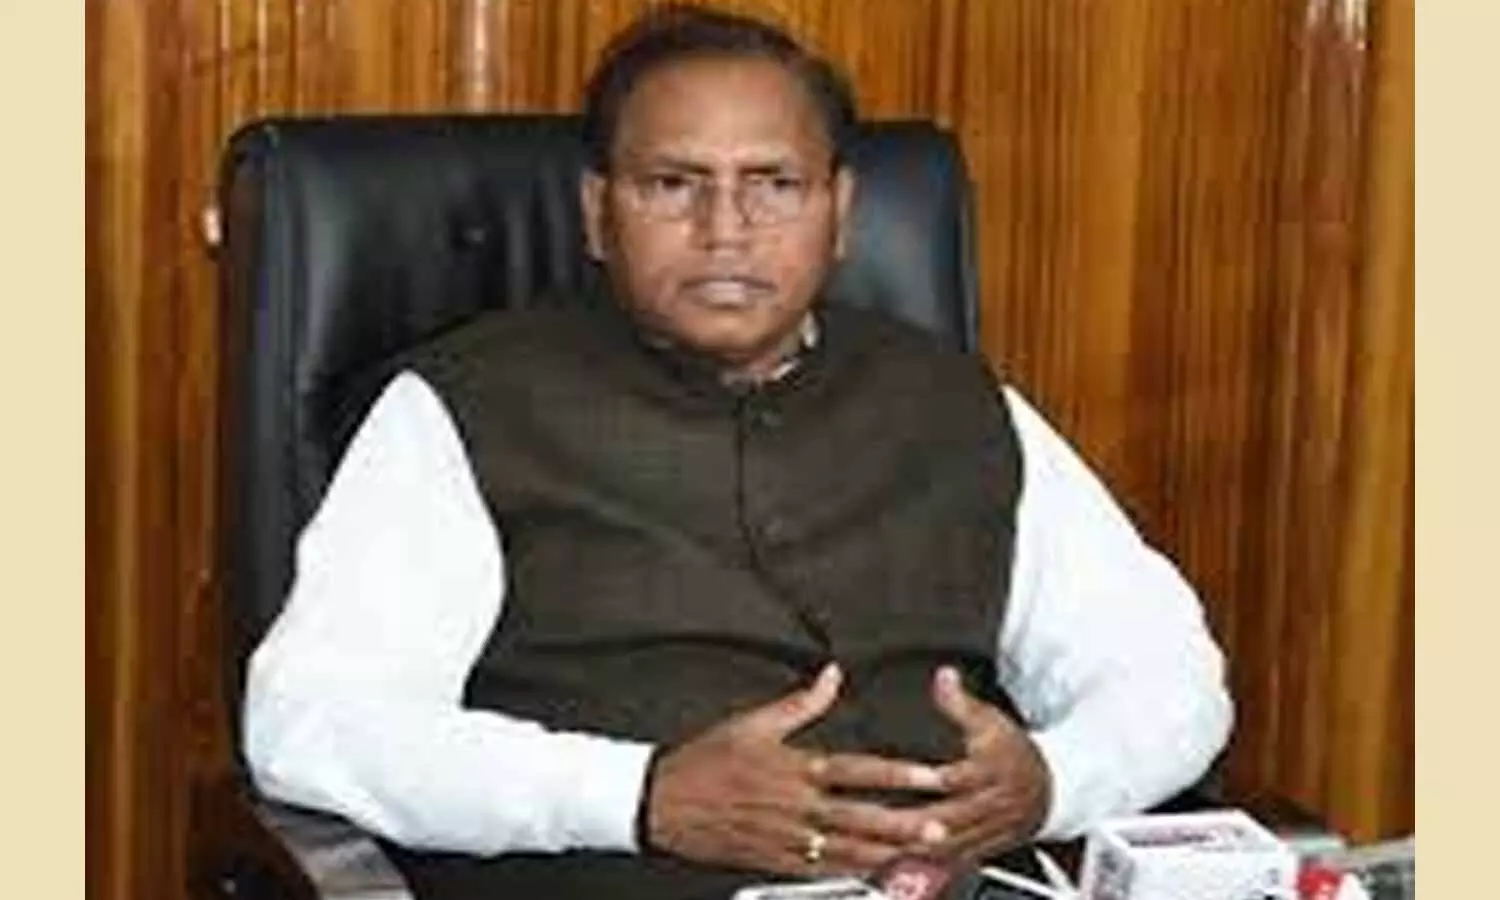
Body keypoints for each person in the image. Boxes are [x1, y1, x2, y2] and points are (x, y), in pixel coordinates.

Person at [241, 6, 1232, 899]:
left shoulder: (957, 402)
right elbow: (314, 724)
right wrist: (642, 797)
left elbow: (1165, 674)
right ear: (597, 213)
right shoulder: (464, 407)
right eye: (673, 184)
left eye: (774, 185)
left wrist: (1053, 782)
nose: (725, 230)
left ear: (840, 212)